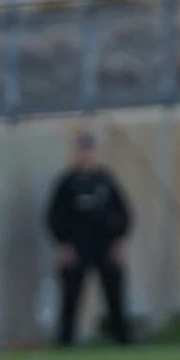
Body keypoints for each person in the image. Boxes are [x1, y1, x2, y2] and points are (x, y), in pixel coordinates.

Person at [45, 131, 134, 345]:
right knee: (71, 298)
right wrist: (64, 245)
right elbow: (54, 216)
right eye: (82, 150)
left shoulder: (105, 180)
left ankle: (122, 339)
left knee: (115, 296)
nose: (86, 155)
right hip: (77, 248)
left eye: (89, 150)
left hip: (104, 246)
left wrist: (118, 241)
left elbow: (124, 213)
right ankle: (65, 341)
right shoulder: (67, 183)